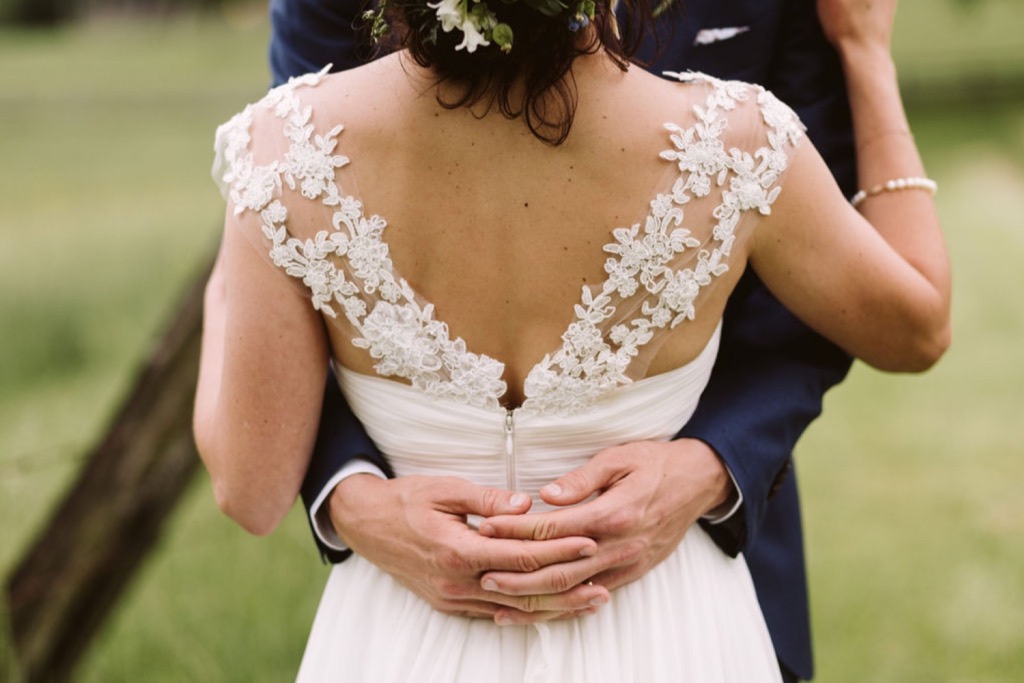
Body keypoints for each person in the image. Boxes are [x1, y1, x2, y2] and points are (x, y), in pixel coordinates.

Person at [195, 0, 950, 680]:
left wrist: (236, 268)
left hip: (402, 642)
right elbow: (919, 322)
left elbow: (251, 488)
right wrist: (868, 50)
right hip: (668, 633)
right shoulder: (737, 144)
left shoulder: (283, 153)